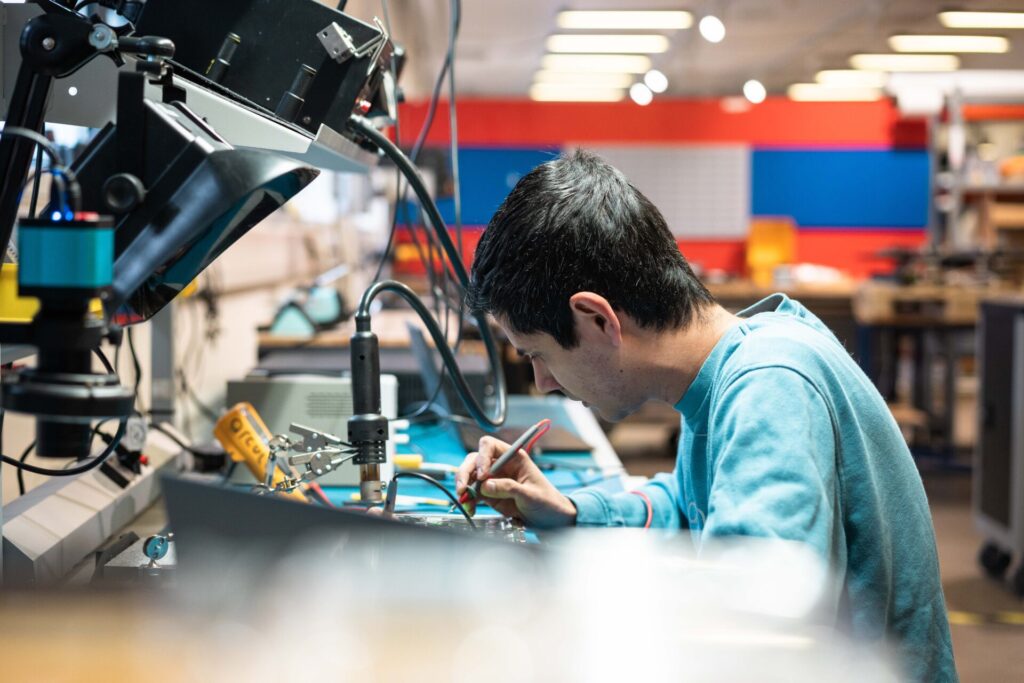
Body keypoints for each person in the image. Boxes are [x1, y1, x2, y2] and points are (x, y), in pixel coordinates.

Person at [455, 149, 957, 681]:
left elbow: (754, 621)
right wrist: (570, 512)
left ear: (596, 318)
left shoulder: (770, 383)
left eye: (538, 355)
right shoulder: (737, 362)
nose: (543, 383)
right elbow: (693, 504)